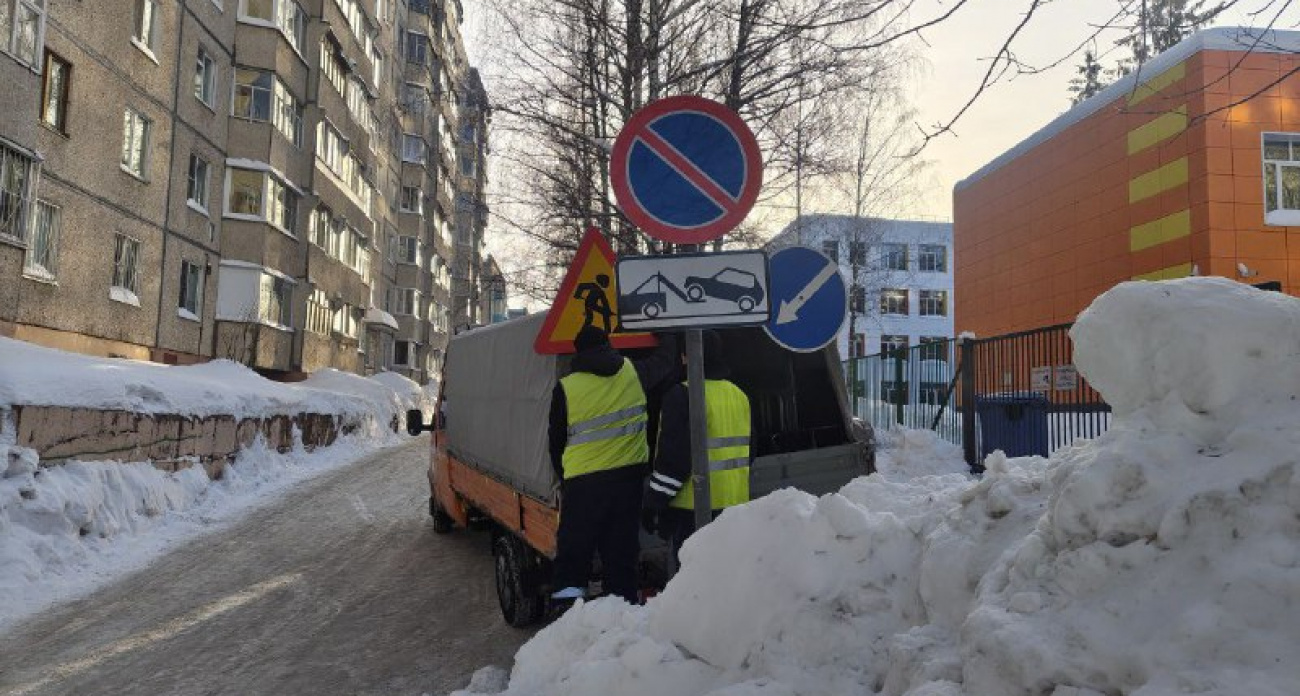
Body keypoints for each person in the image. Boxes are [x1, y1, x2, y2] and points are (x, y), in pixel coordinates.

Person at [548, 325, 677, 606]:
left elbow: (555, 443)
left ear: (577, 352)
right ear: (609, 345)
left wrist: (567, 477)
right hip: (628, 481)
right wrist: (665, 331)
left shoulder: (567, 388)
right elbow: (665, 362)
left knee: (574, 553)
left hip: (583, 486)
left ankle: (570, 618)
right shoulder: (633, 373)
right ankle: (621, 615)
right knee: (621, 554)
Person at [642, 330, 752, 561]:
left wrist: (654, 503)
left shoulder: (682, 394)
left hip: (691, 510)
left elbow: (674, 459)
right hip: (735, 506)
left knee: (695, 583)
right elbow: (751, 451)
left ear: (685, 356)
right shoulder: (739, 394)